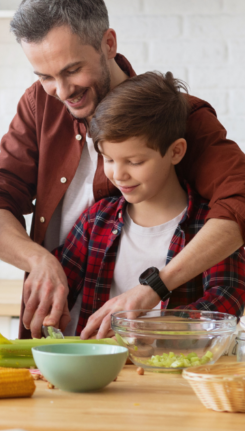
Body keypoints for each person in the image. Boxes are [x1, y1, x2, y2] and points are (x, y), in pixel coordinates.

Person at [0, 0, 245, 338]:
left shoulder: (179, 117)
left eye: (71, 70)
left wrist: (154, 291)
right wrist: (38, 260)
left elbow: (239, 201)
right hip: (68, 344)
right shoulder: (40, 103)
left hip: (158, 354)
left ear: (108, 43)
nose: (62, 91)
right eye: (45, 76)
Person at [55, 71, 245, 333]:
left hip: (176, 372)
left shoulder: (209, 229)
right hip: (98, 372)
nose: (118, 175)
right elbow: (59, 286)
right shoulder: (96, 220)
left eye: (135, 162)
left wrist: (144, 328)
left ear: (176, 151)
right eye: (108, 159)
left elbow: (225, 304)